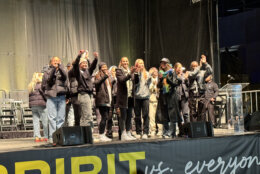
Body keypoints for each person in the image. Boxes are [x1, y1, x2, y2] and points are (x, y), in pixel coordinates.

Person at [42, 56, 68, 144]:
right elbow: (45, 84)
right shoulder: (47, 72)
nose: (56, 62)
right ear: (51, 62)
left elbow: (65, 77)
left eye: (58, 61)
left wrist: (60, 68)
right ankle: (52, 138)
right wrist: (47, 94)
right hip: (51, 97)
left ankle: (59, 138)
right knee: (52, 118)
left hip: (61, 96)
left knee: (61, 119)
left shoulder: (63, 71)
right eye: (54, 61)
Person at [156, 58, 181, 138]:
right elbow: (158, 86)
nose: (162, 65)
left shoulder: (172, 72)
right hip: (163, 97)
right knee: (164, 115)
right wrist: (161, 79)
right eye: (161, 63)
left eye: (164, 63)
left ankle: (171, 132)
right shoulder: (161, 73)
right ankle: (165, 132)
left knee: (172, 115)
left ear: (167, 64)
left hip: (171, 96)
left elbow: (175, 83)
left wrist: (167, 78)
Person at [72, 50, 98, 127]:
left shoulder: (88, 72)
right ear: (80, 65)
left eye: (86, 63)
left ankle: (84, 134)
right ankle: (88, 134)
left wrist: (96, 58)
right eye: (83, 63)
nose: (85, 64)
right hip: (83, 94)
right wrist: (79, 55)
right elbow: (75, 65)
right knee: (87, 115)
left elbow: (93, 66)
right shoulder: (78, 72)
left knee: (85, 116)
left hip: (89, 94)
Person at [116, 57, 138, 141]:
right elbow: (122, 80)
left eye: (126, 61)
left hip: (130, 97)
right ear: (121, 62)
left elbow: (135, 82)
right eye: (123, 61)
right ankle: (123, 133)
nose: (125, 62)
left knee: (129, 116)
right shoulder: (119, 71)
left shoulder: (130, 71)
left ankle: (128, 132)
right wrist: (130, 73)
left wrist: (136, 73)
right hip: (123, 97)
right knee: (123, 116)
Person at [94, 62, 113, 142]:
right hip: (102, 100)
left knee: (106, 118)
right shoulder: (97, 75)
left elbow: (109, 88)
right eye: (103, 67)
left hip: (108, 99)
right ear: (100, 68)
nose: (105, 68)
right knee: (104, 117)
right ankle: (101, 134)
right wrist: (105, 76)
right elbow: (97, 83)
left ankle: (103, 134)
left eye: (106, 67)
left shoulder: (108, 77)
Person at [28, 72, 48, 142]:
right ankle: (46, 136)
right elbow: (44, 95)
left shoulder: (31, 86)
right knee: (45, 121)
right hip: (41, 104)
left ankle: (37, 137)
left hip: (33, 106)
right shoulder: (41, 85)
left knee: (35, 121)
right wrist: (47, 101)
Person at [134, 59, 151, 139]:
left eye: (143, 63)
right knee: (137, 115)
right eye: (140, 63)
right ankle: (138, 131)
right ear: (137, 65)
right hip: (137, 97)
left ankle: (146, 132)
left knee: (146, 115)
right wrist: (137, 73)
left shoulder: (147, 74)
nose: (142, 64)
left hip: (145, 97)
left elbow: (149, 84)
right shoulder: (135, 74)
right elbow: (135, 83)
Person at [148, 67, 163, 137]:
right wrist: (153, 84)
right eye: (153, 71)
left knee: (160, 115)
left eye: (156, 71)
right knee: (152, 116)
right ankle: (152, 130)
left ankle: (160, 130)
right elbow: (149, 89)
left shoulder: (160, 79)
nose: (155, 72)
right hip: (151, 99)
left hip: (159, 100)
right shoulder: (149, 80)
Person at [106, 65, 118, 139]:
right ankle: (109, 132)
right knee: (109, 116)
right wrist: (112, 77)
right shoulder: (108, 78)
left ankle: (121, 132)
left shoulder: (118, 78)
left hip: (116, 98)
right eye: (113, 71)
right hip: (110, 98)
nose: (115, 72)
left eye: (116, 71)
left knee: (119, 115)